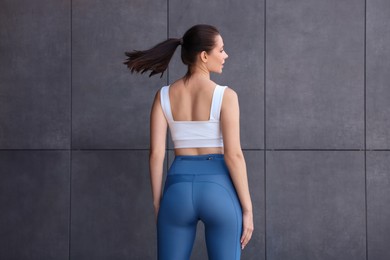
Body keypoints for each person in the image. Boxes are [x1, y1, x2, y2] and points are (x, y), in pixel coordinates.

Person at [124, 24, 253, 260]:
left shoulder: (163, 96)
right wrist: (247, 209)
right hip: (219, 189)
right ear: (204, 56)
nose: (226, 56)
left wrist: (158, 203)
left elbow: (156, 154)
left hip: (177, 190)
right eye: (221, 50)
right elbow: (234, 156)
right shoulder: (226, 96)